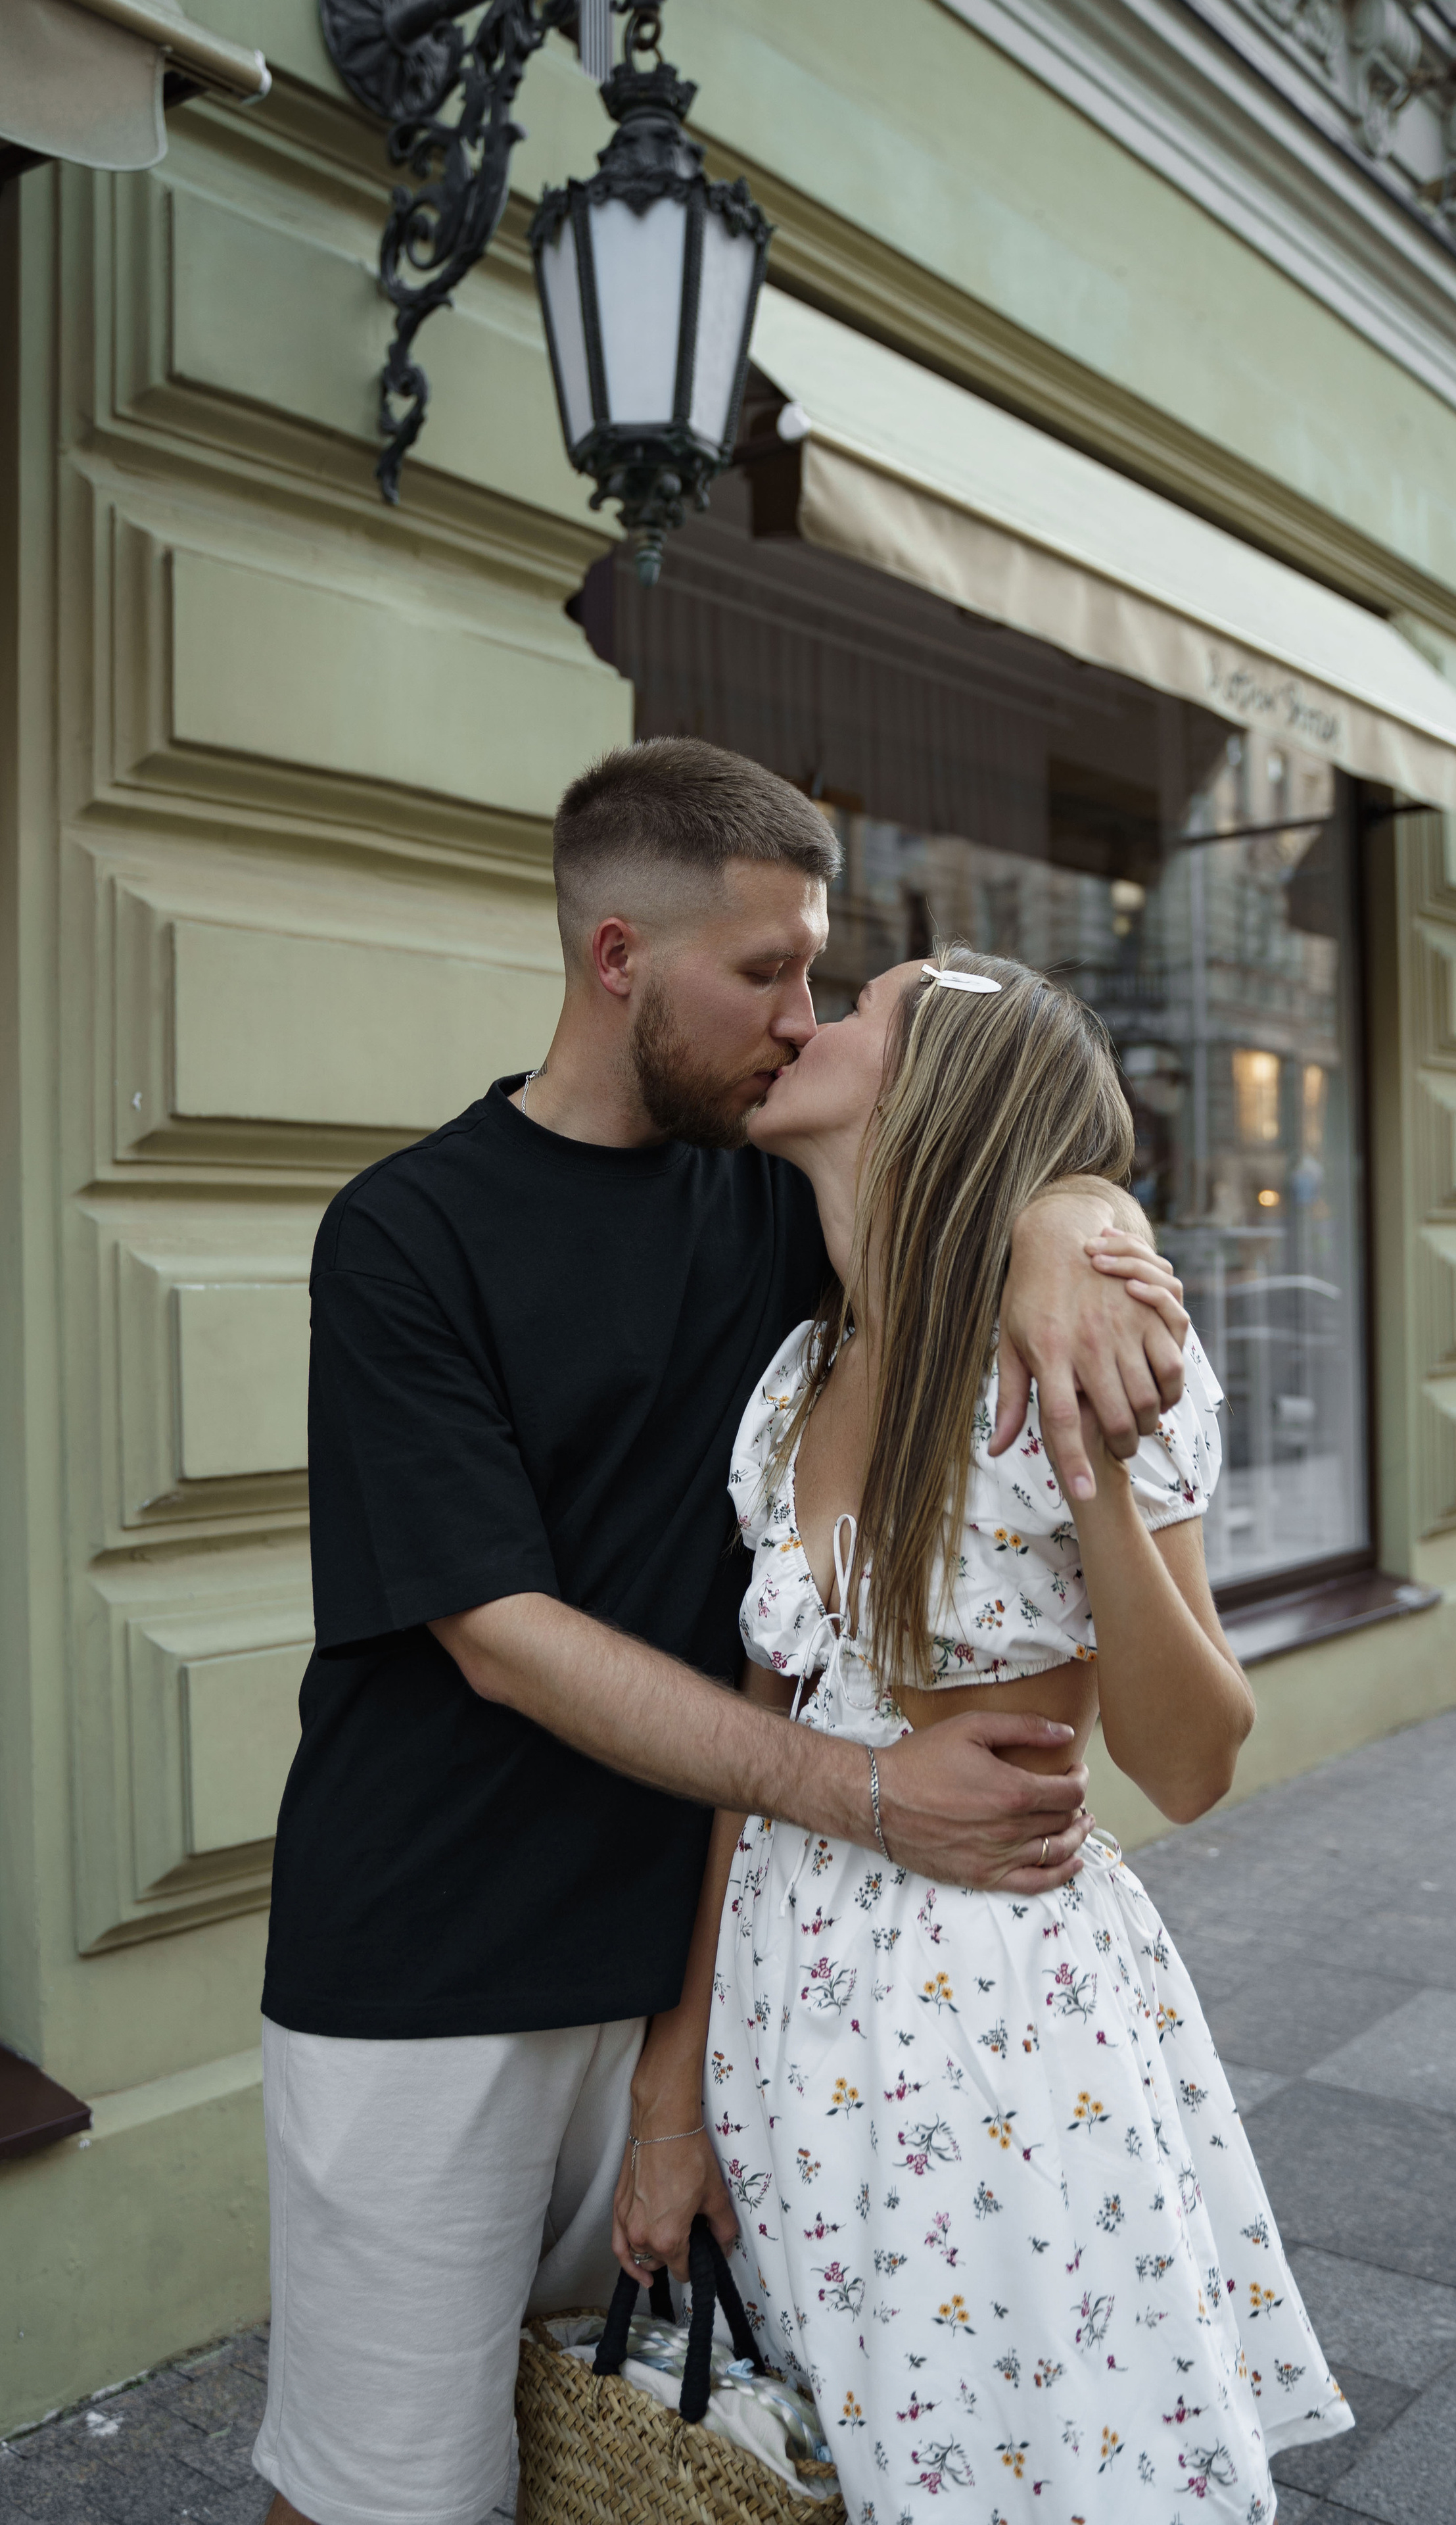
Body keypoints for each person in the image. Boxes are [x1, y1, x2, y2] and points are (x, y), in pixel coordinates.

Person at [252, 741, 1192, 2525]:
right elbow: (502, 1636)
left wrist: (1082, 1218)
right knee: (386, 2489)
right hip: (434, 1968)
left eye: (821, 975)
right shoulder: (406, 1236)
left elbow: (998, 1157)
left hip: (720, 1983)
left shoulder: (781, 1201)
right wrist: (860, 1789)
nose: (799, 1018)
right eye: (764, 972)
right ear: (619, 959)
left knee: (705, 2460)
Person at [615, 948, 1352, 2522]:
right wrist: (671, 2092)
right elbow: (757, 1756)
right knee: (835, 2446)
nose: (811, 1019)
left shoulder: (1069, 1350)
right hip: (781, 2002)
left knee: (1009, 2470)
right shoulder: (793, 1377)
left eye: (864, 1007)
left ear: (940, 1094)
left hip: (989, 2019)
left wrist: (1092, 1477)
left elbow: (1189, 1758)